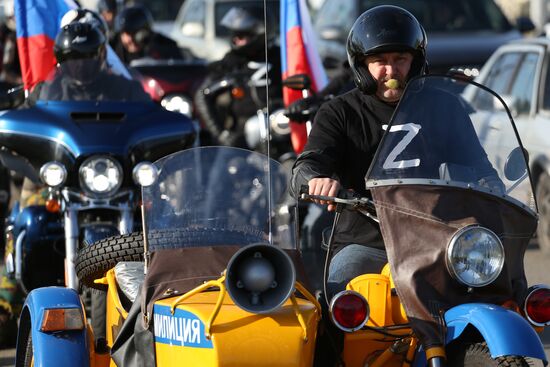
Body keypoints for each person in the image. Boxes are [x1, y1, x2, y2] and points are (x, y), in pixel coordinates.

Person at [289, 5, 429, 298]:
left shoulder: (443, 107)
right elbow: (305, 164)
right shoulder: (339, 112)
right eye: (379, 61)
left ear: (415, 63)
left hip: (435, 237)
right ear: (362, 66)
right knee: (338, 300)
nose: (391, 71)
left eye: (400, 59)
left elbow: (480, 170)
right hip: (367, 243)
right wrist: (316, 179)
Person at [194, 6, 282, 147]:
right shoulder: (230, 62)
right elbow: (202, 95)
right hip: (242, 138)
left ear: (260, 33)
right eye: (235, 36)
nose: (237, 41)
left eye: (242, 36)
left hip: (279, 127)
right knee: (222, 168)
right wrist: (222, 134)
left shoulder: (281, 58)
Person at [112, 4, 183, 64]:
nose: (131, 39)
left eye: (135, 33)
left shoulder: (166, 46)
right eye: (127, 34)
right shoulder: (112, 51)